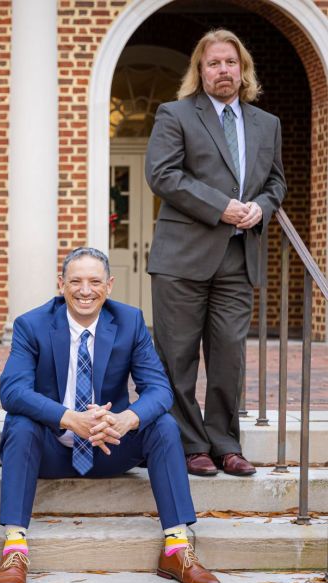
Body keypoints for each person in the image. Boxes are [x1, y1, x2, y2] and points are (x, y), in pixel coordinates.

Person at [0, 247, 222, 583]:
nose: (86, 290)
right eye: (76, 281)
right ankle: (14, 549)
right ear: (61, 284)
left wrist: (125, 420)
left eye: (95, 281)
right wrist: (70, 419)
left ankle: (177, 549)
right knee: (21, 423)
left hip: (110, 446)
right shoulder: (32, 324)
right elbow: (12, 391)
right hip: (51, 450)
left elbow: (159, 389)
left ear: (109, 285)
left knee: (163, 426)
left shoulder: (129, 322)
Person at [146, 28, 286, 477]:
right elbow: (162, 174)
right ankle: (189, 446)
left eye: (230, 62)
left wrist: (260, 208)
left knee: (229, 354)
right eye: (213, 63)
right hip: (182, 256)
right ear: (200, 71)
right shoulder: (176, 115)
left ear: (242, 69)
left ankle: (225, 444)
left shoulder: (267, 124)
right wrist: (221, 206)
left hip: (238, 255)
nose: (223, 70)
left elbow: (276, 183)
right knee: (178, 356)